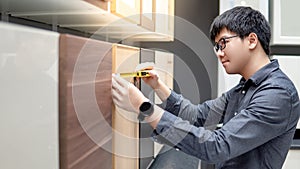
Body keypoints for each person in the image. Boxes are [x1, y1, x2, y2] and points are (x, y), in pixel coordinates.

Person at [111, 6, 300, 169]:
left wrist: (145, 108)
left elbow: (217, 146)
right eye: (216, 46)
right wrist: (158, 86)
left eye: (223, 43)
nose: (219, 53)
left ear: (251, 40)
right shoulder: (245, 87)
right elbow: (197, 115)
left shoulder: (277, 94)